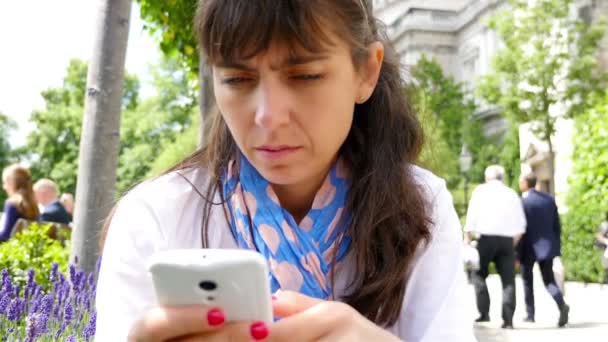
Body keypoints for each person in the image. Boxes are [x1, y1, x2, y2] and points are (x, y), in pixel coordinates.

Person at [95, 1, 476, 341]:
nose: (268, 116)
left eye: (305, 76)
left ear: (366, 72)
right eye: (237, 80)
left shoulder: (420, 205)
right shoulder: (157, 216)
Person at [464, 165, 526, 329]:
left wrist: (467, 239)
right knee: (508, 280)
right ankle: (508, 320)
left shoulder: (480, 191)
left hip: (485, 240)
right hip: (507, 240)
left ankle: (484, 313)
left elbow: (471, 218)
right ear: (502, 177)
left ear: (486, 178)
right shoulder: (511, 194)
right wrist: (511, 243)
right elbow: (521, 226)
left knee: (478, 274)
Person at [518, 173, 569, 327]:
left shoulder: (522, 202)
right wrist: (557, 247)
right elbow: (557, 226)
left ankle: (530, 314)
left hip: (528, 247)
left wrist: (516, 253)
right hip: (547, 247)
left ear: (526, 183)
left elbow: (521, 228)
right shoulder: (548, 199)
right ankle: (561, 304)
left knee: (527, 281)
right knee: (549, 281)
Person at [1, 164, 40, 242]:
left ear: (11, 182)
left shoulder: (13, 203)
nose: (4, 187)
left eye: (5, 182)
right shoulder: (33, 204)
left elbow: (6, 235)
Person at [595, 213, 608, 283]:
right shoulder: (605, 225)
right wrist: (606, 241)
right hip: (605, 249)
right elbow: (599, 235)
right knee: (605, 265)